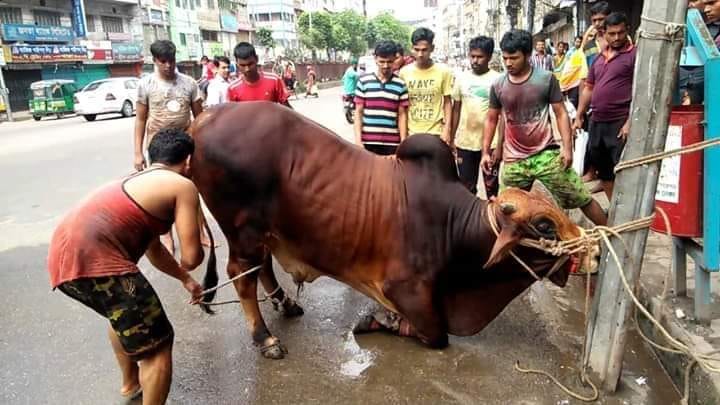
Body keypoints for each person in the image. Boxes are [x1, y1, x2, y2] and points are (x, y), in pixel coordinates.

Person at [48, 128, 205, 405]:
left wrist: (186, 280)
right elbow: (191, 256)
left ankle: (131, 385)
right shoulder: (181, 185)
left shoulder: (135, 180)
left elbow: (154, 249)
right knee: (158, 347)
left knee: (122, 315)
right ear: (189, 161)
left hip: (63, 263)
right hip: (98, 261)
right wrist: (196, 253)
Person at [482, 29, 607, 227]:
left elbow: (560, 113)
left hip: (546, 156)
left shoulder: (546, 79)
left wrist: (567, 148)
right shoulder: (498, 85)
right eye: (505, 58)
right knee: (504, 211)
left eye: (513, 58)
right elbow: (491, 118)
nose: (508, 63)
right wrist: (486, 152)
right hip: (514, 161)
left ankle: (612, 239)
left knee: (583, 198)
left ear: (527, 55)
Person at [134, 40, 204, 254]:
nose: (168, 65)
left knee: (192, 189)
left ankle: (200, 232)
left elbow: (199, 117)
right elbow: (140, 120)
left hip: (185, 144)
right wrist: (137, 152)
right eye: (163, 61)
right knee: (161, 192)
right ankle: (166, 236)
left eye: (171, 61)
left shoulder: (190, 83)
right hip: (157, 146)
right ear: (154, 61)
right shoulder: (145, 84)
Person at [573, 12, 636, 200]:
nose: (616, 37)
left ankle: (628, 211)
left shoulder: (634, 55)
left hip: (619, 122)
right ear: (605, 33)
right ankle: (615, 211)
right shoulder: (599, 58)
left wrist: (630, 122)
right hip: (597, 121)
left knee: (623, 170)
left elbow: (641, 92)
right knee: (604, 170)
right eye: (612, 33)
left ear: (627, 31)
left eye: (620, 33)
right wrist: (579, 115)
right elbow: (588, 88)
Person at [450, 35, 502, 198]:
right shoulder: (461, 78)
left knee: (492, 189)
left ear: (489, 57)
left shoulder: (498, 80)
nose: (475, 60)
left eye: (480, 57)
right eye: (472, 56)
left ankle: (492, 222)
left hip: (491, 143)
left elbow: (503, 115)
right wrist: (452, 139)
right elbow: (456, 109)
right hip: (465, 142)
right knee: (466, 189)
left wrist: (500, 145)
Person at [353, 40, 410, 155]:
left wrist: (403, 142)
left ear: (395, 59)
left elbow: (402, 115)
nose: (385, 66)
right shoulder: (363, 82)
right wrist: (358, 141)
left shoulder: (400, 85)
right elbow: (358, 113)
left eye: (389, 62)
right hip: (367, 143)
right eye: (381, 61)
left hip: (392, 144)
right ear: (375, 59)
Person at [399, 27, 454, 143]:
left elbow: (447, 102)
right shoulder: (404, 72)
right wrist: (403, 136)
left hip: (436, 133)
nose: (420, 54)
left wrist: (446, 130)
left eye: (424, 50)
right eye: (416, 49)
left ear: (432, 48)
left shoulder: (444, 71)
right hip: (412, 133)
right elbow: (402, 107)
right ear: (411, 49)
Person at [227, 42, 291, 107]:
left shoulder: (274, 80)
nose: (247, 69)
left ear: (257, 59)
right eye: (242, 65)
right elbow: (233, 115)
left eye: (250, 64)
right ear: (237, 64)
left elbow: (287, 109)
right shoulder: (233, 88)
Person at [582, 1, 611, 68]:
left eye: (601, 19)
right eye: (594, 20)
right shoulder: (588, 46)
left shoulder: (618, 41)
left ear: (609, 18)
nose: (597, 23)